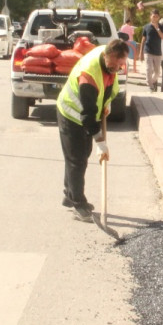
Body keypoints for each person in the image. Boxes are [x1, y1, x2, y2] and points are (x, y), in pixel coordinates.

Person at [56, 39, 130, 221]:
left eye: (120, 64)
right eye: (113, 63)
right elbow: (87, 116)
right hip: (70, 113)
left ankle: (69, 194)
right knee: (77, 159)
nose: (117, 68)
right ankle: (78, 203)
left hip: (86, 114)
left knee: (82, 155)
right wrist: (101, 142)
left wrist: (107, 103)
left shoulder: (112, 61)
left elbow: (108, 86)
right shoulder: (89, 75)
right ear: (106, 55)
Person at [137, 7, 161, 92]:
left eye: (156, 16)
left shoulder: (161, 26)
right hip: (148, 51)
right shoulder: (146, 27)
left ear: (159, 17)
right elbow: (143, 40)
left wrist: (157, 28)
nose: (155, 18)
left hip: (158, 52)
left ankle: (151, 81)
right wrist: (140, 53)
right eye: (153, 16)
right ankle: (150, 86)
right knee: (149, 68)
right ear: (150, 17)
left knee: (157, 72)